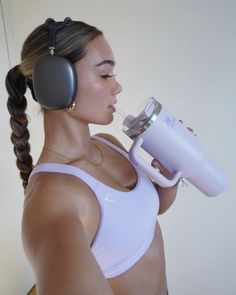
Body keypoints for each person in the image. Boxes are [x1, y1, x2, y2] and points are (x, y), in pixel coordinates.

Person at [6, 17, 180, 295]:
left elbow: (146, 212)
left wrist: (169, 173)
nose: (117, 86)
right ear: (57, 83)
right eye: (104, 74)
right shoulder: (53, 199)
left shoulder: (107, 143)